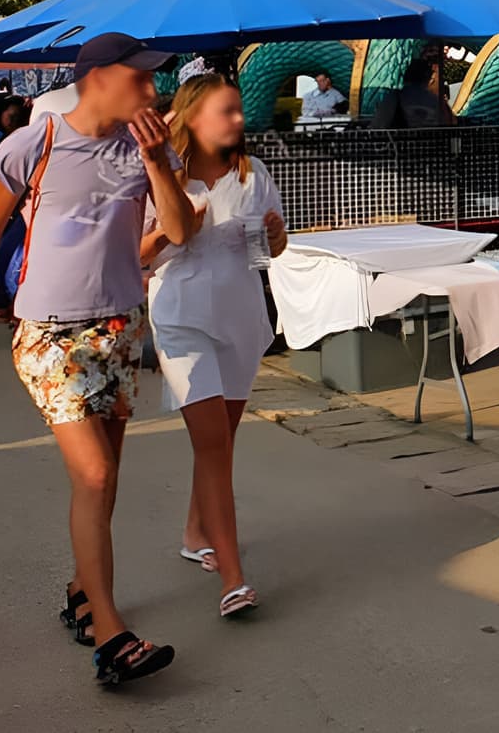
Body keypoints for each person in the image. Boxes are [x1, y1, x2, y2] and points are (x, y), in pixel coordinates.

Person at [0, 32, 193, 687]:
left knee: (103, 480)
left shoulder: (143, 150)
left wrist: (161, 159)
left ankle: (84, 590)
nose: (151, 89)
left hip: (119, 330)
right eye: (140, 78)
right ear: (100, 77)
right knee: (97, 475)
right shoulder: (36, 141)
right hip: (51, 336)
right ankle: (111, 636)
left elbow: (180, 229)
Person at [140, 73, 285, 620]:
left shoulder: (252, 174)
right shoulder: (160, 173)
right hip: (181, 319)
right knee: (213, 447)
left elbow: (264, 254)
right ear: (193, 116)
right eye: (227, 111)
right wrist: (174, 229)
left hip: (241, 316)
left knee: (220, 440)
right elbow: (137, 252)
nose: (239, 120)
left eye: (239, 110)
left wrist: (276, 239)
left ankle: (195, 530)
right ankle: (233, 577)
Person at [369, 54, 454, 129]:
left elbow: (378, 126)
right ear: (428, 79)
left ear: (406, 75)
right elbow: (451, 125)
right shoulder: (437, 102)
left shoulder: (393, 99)